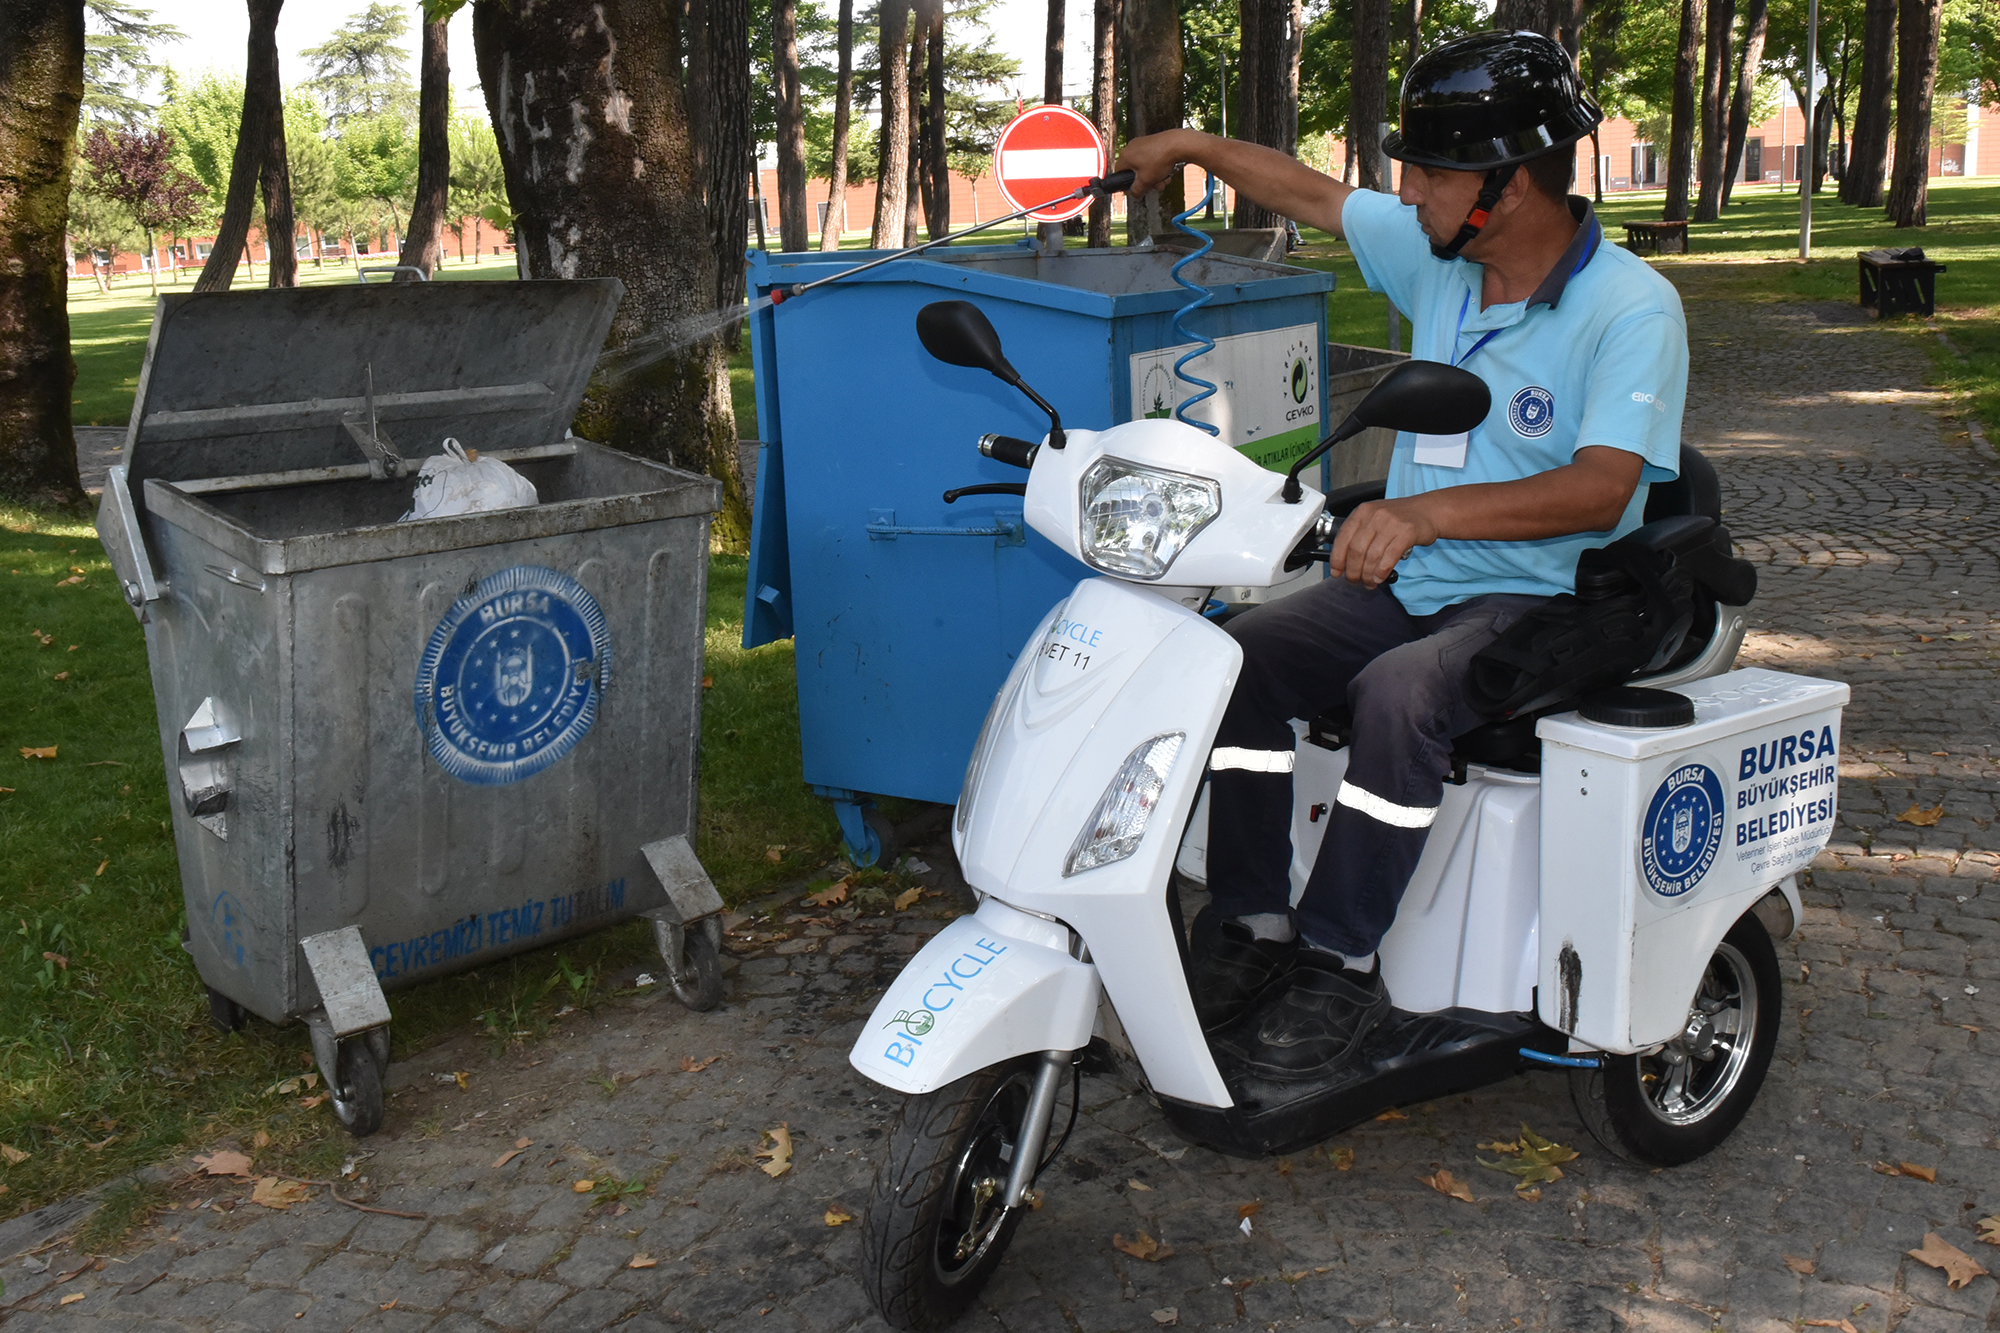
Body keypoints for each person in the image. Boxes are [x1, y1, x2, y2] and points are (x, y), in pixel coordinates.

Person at [1113, 31, 1690, 1079]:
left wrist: (1425, 517)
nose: (1405, 187)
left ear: (1505, 185)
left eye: (1427, 170)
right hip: (1414, 579)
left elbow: (1605, 486)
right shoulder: (1440, 254)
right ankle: (1252, 923)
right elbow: (1310, 195)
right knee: (1229, 658)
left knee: (1395, 695)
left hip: (1541, 598)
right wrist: (1191, 144)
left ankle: (1338, 957)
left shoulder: (1630, 308)